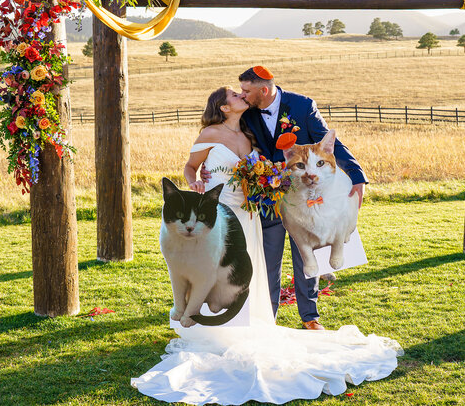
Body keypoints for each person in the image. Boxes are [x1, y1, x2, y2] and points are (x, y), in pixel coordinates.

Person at [131, 85, 400, 405]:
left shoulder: (250, 134)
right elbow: (191, 167)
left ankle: (274, 319)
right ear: (223, 107)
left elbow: (281, 160)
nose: (241, 96)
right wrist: (195, 181)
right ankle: (216, 325)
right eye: (233, 95)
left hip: (250, 213)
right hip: (221, 211)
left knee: (251, 272)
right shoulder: (211, 133)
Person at [213, 65, 366, 330]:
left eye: (246, 91)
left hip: (306, 199)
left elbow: (328, 145)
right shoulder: (247, 112)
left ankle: (310, 316)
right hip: (268, 200)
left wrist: (356, 174)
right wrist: (206, 167)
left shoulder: (302, 106)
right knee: (268, 258)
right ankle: (267, 318)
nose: (243, 95)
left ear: (264, 89)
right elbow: (226, 137)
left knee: (306, 254)